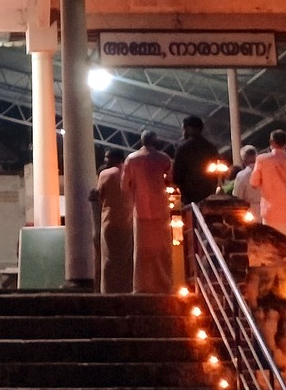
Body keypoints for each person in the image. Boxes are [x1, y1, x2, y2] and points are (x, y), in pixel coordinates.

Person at [120, 132, 176, 293]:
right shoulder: (163, 158)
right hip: (161, 208)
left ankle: (141, 285)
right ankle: (164, 283)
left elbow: (124, 186)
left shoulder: (132, 159)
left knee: (141, 250)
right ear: (155, 140)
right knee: (163, 249)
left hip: (141, 208)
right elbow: (170, 178)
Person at [247, 131, 286, 241]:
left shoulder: (262, 159)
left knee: (272, 245)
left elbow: (253, 182)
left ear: (271, 142)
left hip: (270, 212)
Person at [95, 158, 135, 294]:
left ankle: (108, 290)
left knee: (109, 258)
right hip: (128, 220)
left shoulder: (105, 174)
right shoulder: (130, 172)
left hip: (109, 220)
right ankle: (127, 288)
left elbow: (99, 195)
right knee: (126, 259)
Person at [171, 115, 224, 206]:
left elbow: (177, 175)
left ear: (188, 128)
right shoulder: (210, 147)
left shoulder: (183, 148)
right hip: (209, 193)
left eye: (184, 128)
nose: (183, 132)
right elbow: (217, 172)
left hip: (189, 195)